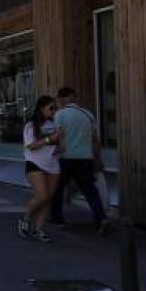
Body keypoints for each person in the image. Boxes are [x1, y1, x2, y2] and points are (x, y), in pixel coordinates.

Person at [49, 86, 111, 234]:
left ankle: (57, 218)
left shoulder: (60, 115)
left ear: (64, 98)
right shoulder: (88, 114)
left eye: (60, 99)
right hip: (85, 158)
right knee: (90, 190)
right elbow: (95, 140)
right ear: (73, 97)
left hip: (65, 158)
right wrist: (98, 159)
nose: (60, 102)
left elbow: (58, 137)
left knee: (58, 189)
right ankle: (101, 217)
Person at [21, 96, 61, 242]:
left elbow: (59, 146)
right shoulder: (30, 126)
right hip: (35, 163)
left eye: (55, 108)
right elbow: (31, 146)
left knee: (48, 199)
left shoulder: (54, 124)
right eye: (51, 108)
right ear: (41, 108)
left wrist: (59, 145)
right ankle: (26, 218)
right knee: (42, 196)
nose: (54, 111)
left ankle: (39, 229)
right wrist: (49, 139)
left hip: (53, 164)